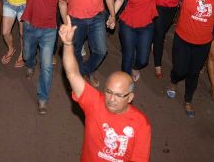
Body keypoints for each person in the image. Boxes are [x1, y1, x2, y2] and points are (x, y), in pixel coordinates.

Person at [60, 21, 151, 161]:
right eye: (109, 92)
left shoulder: (140, 123)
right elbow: (72, 73)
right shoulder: (95, 103)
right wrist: (67, 45)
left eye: (119, 95)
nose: (112, 99)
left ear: (130, 97)